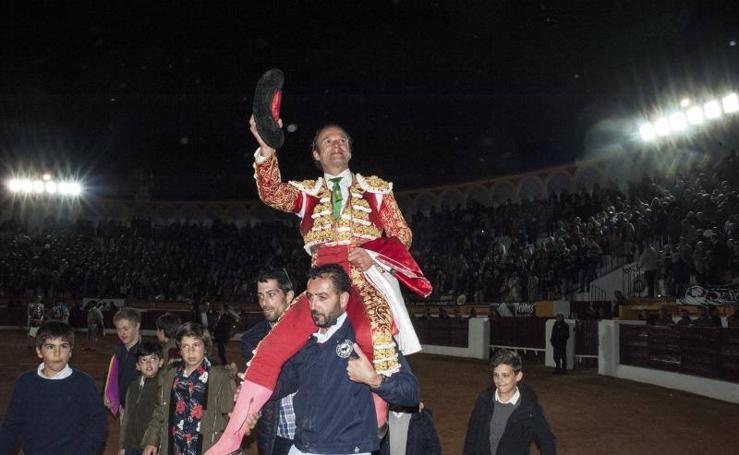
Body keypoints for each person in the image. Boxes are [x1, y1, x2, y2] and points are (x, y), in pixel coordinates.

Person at [210, 117, 432, 451]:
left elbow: (402, 233)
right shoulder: (309, 193)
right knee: (271, 347)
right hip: (322, 283)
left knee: (373, 337)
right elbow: (272, 193)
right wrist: (267, 150)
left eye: (342, 140)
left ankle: (378, 419)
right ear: (316, 154)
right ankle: (232, 436)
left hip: (362, 279)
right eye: (328, 141)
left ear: (350, 150)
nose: (336, 145)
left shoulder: (376, 189)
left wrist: (375, 254)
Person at [230, 264, 420, 455]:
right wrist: (252, 396)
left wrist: (374, 380)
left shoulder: (365, 336)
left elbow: (410, 393)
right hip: (302, 446)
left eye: (323, 298)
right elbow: (288, 380)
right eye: (310, 298)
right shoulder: (306, 337)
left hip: (347, 450)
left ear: (343, 299)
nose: (313, 306)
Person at [0, 320, 107, 454]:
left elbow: (97, 425)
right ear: (39, 351)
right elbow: (12, 425)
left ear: (70, 352)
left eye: (63, 346)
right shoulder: (25, 382)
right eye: (50, 347)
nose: (57, 353)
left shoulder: (84, 383)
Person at [142, 322, 239, 455]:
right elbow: (160, 412)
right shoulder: (169, 377)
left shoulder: (222, 379)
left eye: (196, 345)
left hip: (207, 448)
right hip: (175, 445)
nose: (190, 351)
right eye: (185, 346)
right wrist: (151, 440)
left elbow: (230, 419)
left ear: (205, 348)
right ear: (180, 351)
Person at [240, 269, 297, 455]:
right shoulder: (252, 339)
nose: (264, 303)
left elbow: (294, 377)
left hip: (314, 433)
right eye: (260, 296)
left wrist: (254, 390)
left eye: (271, 295)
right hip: (276, 434)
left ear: (289, 296)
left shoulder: (312, 331)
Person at [463, 349, 556, 455]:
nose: (499, 380)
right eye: (496, 375)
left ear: (518, 376)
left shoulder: (530, 409)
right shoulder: (484, 400)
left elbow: (547, 442)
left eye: (505, 375)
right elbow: (471, 437)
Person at [120, 341, 164, 455]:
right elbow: (127, 416)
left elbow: (162, 418)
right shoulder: (133, 386)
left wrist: (154, 442)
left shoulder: (163, 385)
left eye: (153, 359)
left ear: (161, 362)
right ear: (137, 366)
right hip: (132, 444)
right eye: (144, 360)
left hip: (151, 445)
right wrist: (123, 445)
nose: (149, 364)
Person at [105, 307, 143, 416]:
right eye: (118, 329)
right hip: (124, 407)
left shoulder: (146, 354)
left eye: (126, 328)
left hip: (139, 410)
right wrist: (107, 394)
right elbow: (113, 375)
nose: (122, 333)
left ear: (137, 326)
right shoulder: (119, 350)